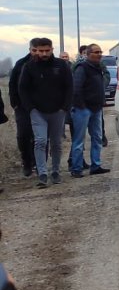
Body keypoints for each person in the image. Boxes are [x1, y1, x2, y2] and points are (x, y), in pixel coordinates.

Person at [18, 38, 72, 188]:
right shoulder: (29, 67)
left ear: (52, 49)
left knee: (56, 143)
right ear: (36, 50)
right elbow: (22, 89)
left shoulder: (61, 65)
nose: (44, 53)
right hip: (38, 112)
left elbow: (69, 86)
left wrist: (65, 107)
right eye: (41, 51)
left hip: (58, 111)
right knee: (40, 141)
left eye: (47, 50)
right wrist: (30, 108)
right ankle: (42, 174)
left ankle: (55, 172)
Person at [69, 43, 110, 178]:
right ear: (88, 54)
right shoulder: (82, 68)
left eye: (100, 52)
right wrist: (82, 106)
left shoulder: (98, 68)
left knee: (97, 138)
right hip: (83, 110)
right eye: (96, 52)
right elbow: (76, 88)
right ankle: (76, 168)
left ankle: (95, 165)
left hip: (96, 109)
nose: (99, 55)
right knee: (79, 140)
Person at [8, 41, 37, 177]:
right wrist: (15, 104)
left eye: (40, 50)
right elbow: (12, 83)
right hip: (22, 106)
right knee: (23, 134)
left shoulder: (50, 63)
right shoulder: (21, 64)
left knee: (40, 136)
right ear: (30, 49)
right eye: (34, 50)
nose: (37, 53)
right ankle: (27, 161)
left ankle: (38, 162)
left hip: (41, 106)